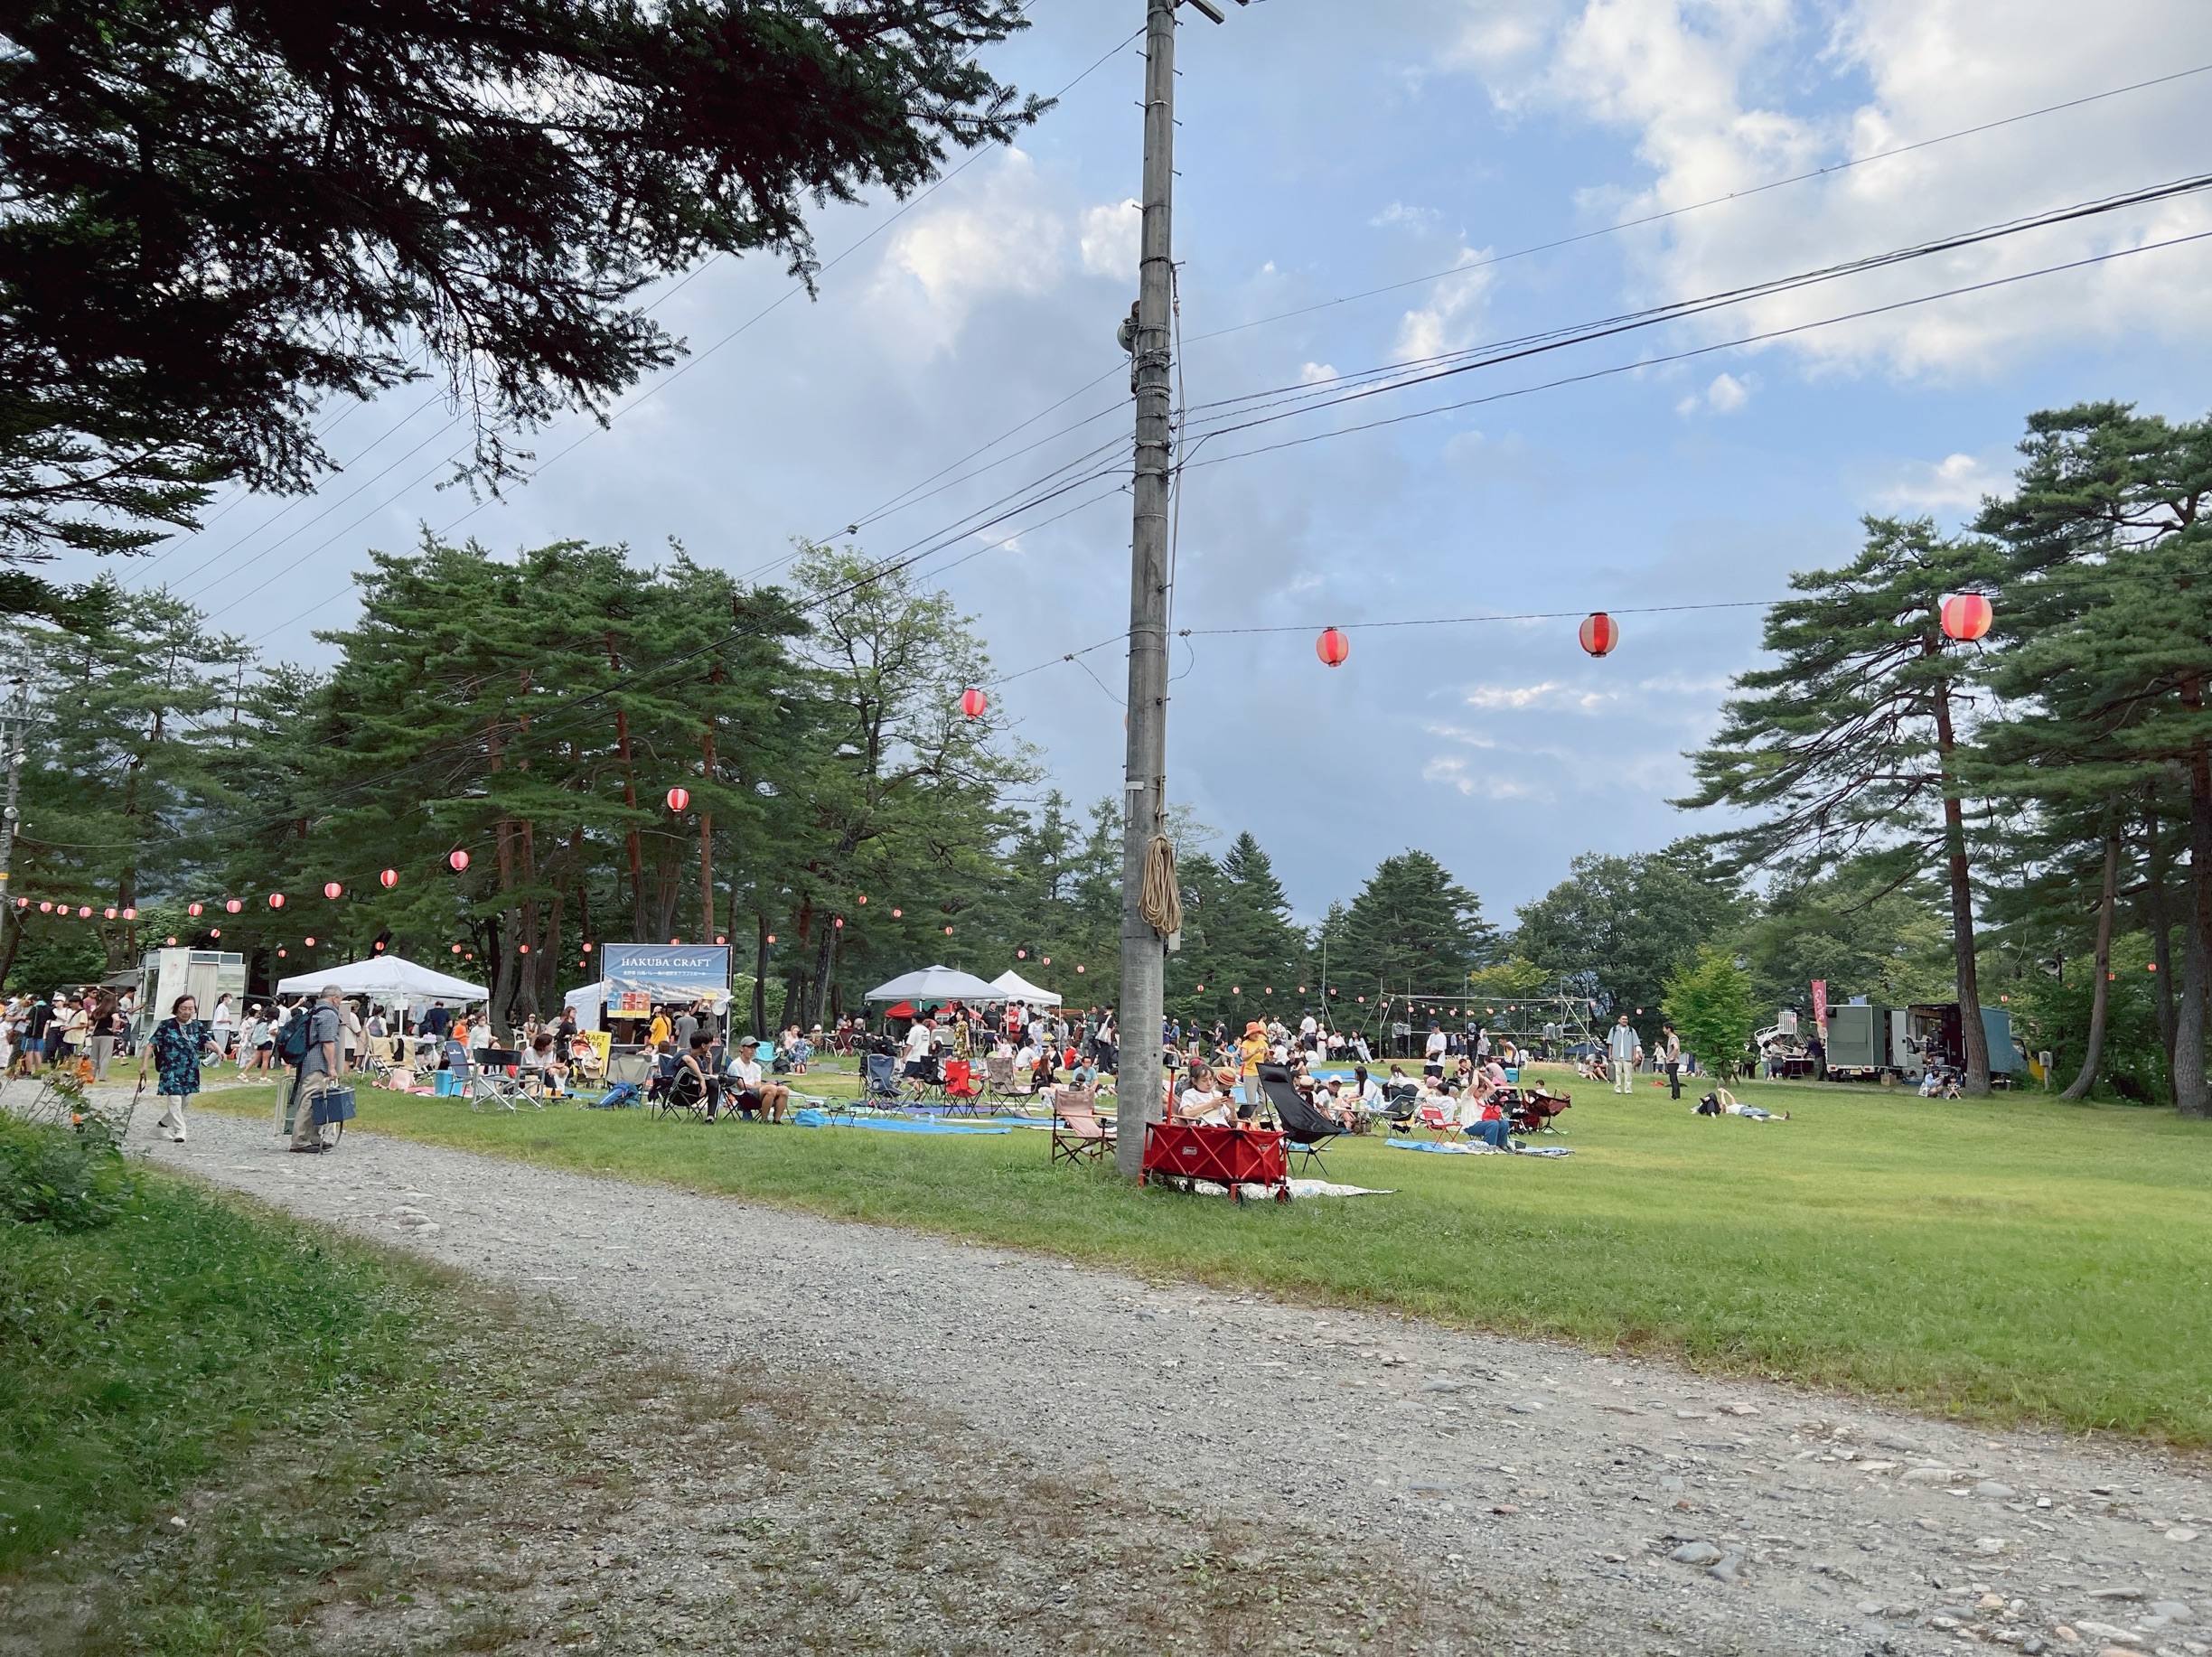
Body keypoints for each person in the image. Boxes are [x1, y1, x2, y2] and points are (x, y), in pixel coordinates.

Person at [149, 994, 213, 1143]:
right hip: (170, 1067)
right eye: (183, 1008)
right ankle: (180, 1130)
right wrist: (144, 1065)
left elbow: (207, 1041)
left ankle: (160, 1126)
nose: (187, 1011)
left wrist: (220, 1052)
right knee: (175, 1099)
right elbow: (151, 1044)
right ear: (177, 1009)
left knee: (185, 1101)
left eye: (190, 1008)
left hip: (189, 1068)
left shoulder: (197, 1025)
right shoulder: (166, 1025)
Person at [290, 986, 347, 1152]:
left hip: (308, 1061)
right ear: (335, 998)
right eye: (340, 999)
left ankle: (313, 1138)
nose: (340, 1003)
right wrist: (332, 1067)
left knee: (316, 1101)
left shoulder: (315, 1011)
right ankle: (300, 1140)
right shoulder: (328, 1014)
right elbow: (328, 1043)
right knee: (310, 1101)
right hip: (317, 1063)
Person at [726, 1036, 791, 1122]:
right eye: (749, 1047)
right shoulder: (735, 1065)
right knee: (771, 1088)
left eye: (754, 1048)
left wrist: (765, 1086)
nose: (753, 1050)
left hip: (754, 1094)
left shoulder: (756, 1066)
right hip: (743, 1096)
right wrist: (765, 1086)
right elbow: (742, 1086)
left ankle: (776, 1121)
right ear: (741, 1049)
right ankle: (764, 1120)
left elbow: (757, 1084)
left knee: (784, 1089)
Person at [1607, 1015, 1641, 1095]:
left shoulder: (1631, 1030)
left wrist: (1634, 1055)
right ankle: (1617, 1089)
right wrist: (1610, 1054)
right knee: (1617, 1073)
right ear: (1619, 1020)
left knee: (1628, 1074)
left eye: (1626, 1019)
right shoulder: (1614, 1029)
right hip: (1616, 1055)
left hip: (1628, 1055)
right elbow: (1610, 1043)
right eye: (1623, 1019)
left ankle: (1628, 1090)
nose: (1625, 1021)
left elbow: (1634, 1044)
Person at [1659, 1022, 1683, 1100]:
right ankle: (1677, 1095)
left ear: (1668, 1029)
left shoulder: (1673, 1038)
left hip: (1673, 1062)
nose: (1663, 1030)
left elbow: (1675, 1048)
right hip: (1674, 1062)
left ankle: (1674, 1096)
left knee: (1673, 1079)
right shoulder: (1673, 1037)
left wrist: (1672, 1057)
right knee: (1674, 1078)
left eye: (1664, 1028)